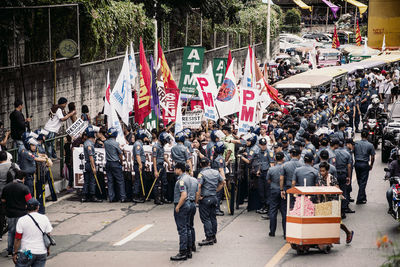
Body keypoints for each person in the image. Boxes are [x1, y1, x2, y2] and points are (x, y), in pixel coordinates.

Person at [318, 163, 354, 244]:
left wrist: (338, 194)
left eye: (323, 171)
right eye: (320, 171)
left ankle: (348, 232)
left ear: (327, 171)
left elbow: (337, 189)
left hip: (333, 202)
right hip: (324, 203)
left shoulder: (332, 178)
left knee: (337, 222)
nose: (322, 172)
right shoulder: (320, 178)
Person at [13, 198, 53, 266]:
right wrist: (48, 249)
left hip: (27, 252)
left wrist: (15, 253)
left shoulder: (22, 220)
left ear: (26, 207)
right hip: (41, 252)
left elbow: (17, 238)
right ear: (38, 207)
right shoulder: (44, 218)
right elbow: (48, 235)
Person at [1, 170, 32, 257]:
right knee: (21, 233)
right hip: (21, 214)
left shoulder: (6, 187)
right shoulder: (24, 188)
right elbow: (29, 201)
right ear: (23, 178)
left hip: (10, 214)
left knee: (11, 232)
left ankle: (10, 250)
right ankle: (20, 250)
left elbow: (3, 200)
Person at [197, 158, 224, 246]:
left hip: (205, 198)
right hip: (214, 197)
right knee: (213, 217)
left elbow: (199, 186)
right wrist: (216, 190)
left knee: (206, 218)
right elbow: (222, 182)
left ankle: (209, 237)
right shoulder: (216, 172)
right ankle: (213, 236)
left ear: (201, 165)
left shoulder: (201, 174)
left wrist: (198, 197)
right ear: (209, 163)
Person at [170, 162, 192, 261]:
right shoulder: (188, 177)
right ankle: (188, 250)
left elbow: (183, 195)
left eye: (176, 169)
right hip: (188, 205)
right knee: (187, 228)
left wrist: (178, 206)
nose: (175, 171)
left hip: (182, 205)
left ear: (179, 169)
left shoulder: (181, 181)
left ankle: (183, 252)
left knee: (182, 229)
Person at [104, 127, 127, 203]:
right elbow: (120, 154)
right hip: (115, 163)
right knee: (120, 181)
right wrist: (122, 162)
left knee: (110, 181)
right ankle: (123, 197)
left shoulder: (106, 143)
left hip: (108, 163)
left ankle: (111, 197)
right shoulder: (116, 143)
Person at [267, 152, 286, 238]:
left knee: (273, 211)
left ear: (275, 158)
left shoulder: (271, 169)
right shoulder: (285, 168)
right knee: (284, 212)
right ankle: (285, 232)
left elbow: (268, 180)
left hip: (274, 190)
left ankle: (272, 231)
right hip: (283, 191)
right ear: (283, 159)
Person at [354, 129, 375, 204]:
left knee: (360, 181)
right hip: (364, 164)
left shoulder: (356, 143)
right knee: (363, 182)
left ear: (361, 135)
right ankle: (359, 199)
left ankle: (363, 197)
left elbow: (353, 152)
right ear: (368, 136)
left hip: (357, 164)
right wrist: (371, 165)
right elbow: (372, 157)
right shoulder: (370, 145)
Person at [82, 126, 102, 203]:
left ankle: (85, 196)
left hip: (87, 164)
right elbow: (91, 157)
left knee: (86, 180)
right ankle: (92, 195)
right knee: (92, 180)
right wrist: (93, 167)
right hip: (90, 163)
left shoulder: (86, 143)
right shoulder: (89, 144)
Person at [152, 132, 171, 205]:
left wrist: (168, 162)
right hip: (157, 166)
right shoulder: (155, 147)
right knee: (156, 184)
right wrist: (155, 171)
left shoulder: (161, 146)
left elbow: (162, 156)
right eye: (166, 141)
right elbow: (153, 158)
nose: (166, 143)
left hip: (162, 166)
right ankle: (156, 199)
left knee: (164, 182)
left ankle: (163, 198)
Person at [132, 129, 148, 203]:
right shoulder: (138, 144)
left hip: (139, 163)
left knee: (142, 179)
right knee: (138, 180)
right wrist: (140, 165)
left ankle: (141, 195)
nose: (146, 138)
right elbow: (138, 155)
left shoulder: (139, 143)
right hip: (138, 164)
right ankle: (136, 196)